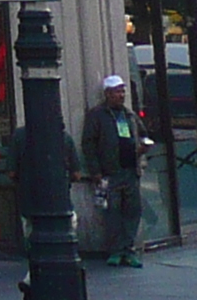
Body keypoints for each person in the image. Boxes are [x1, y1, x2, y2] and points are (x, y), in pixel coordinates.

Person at [79, 74, 144, 269]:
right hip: (110, 172)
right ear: (107, 94)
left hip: (130, 170)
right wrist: (95, 170)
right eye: (117, 91)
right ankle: (116, 251)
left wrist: (141, 148)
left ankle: (128, 249)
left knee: (132, 211)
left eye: (123, 91)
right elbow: (88, 144)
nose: (121, 95)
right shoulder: (97, 115)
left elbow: (143, 133)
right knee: (112, 212)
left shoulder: (128, 115)